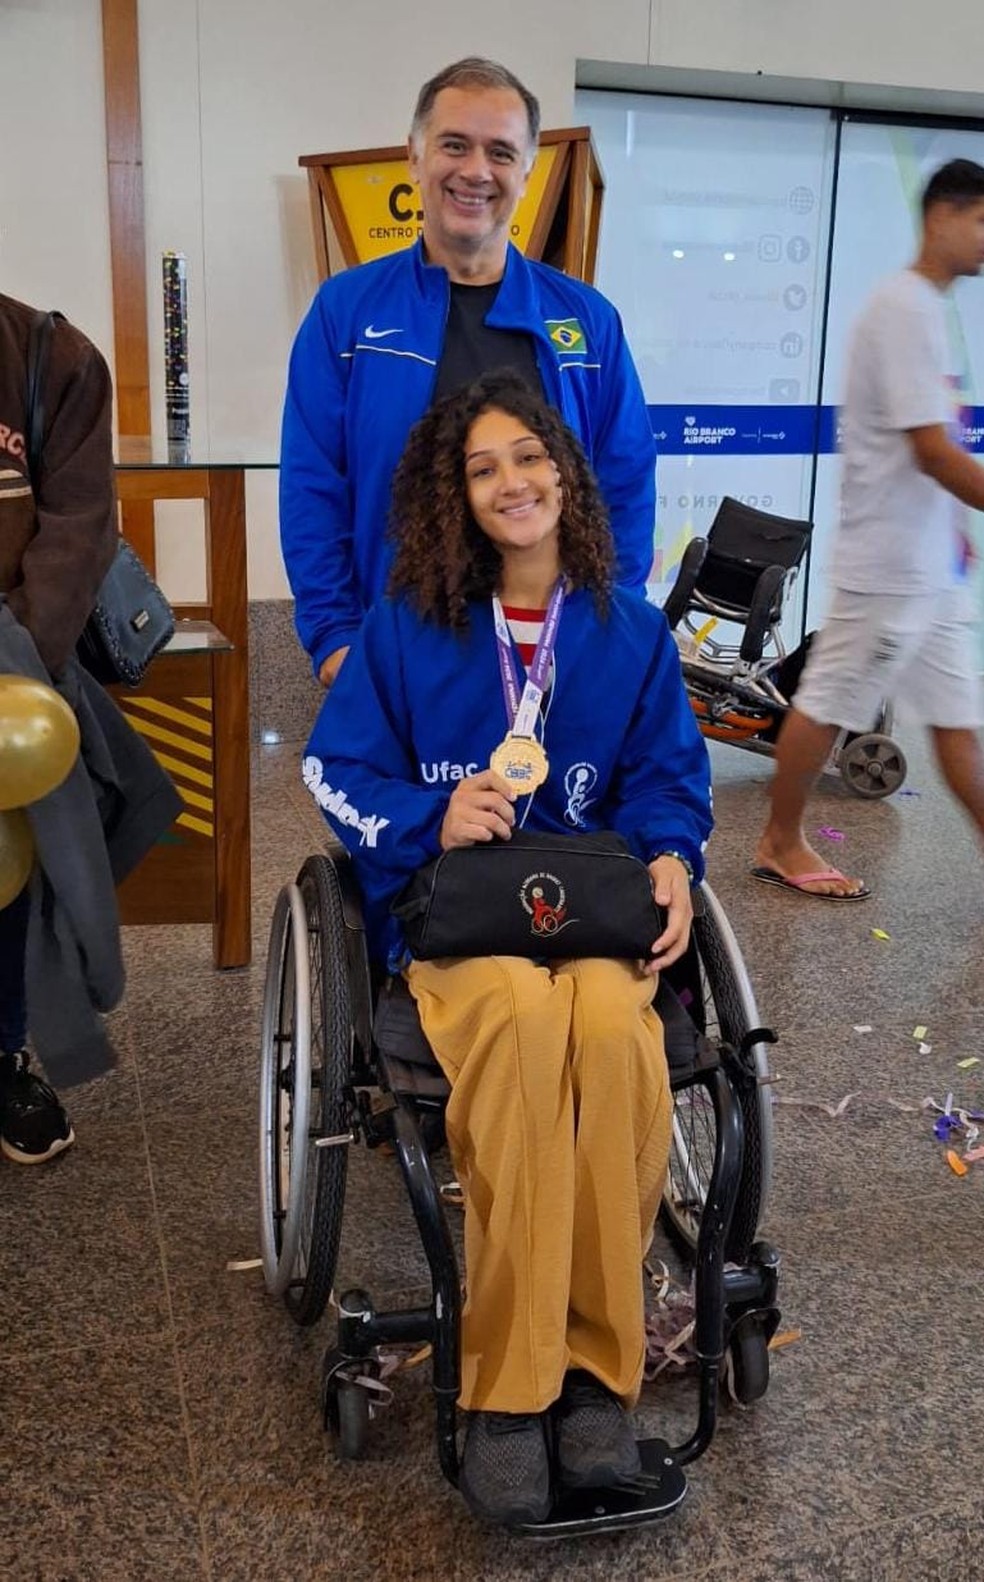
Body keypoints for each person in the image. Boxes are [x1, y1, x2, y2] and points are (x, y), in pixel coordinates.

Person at [303, 370, 712, 1526]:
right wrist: (433, 815)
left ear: (565, 473)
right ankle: (508, 1390)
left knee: (610, 1038)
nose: (512, 482)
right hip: (460, 920)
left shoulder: (626, 630)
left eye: (528, 457)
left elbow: (672, 784)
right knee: (528, 1032)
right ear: (456, 496)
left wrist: (674, 857)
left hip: (592, 918)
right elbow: (334, 770)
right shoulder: (405, 627)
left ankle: (592, 1382)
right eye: (483, 468)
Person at [280, 56, 656, 689]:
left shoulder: (587, 322)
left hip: (553, 656)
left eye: (501, 152)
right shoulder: (346, 314)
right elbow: (314, 485)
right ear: (415, 156)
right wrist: (335, 638)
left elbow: (625, 482)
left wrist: (611, 626)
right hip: (397, 655)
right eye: (455, 145)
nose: (476, 171)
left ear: (527, 171)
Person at [753, 158, 984, 899]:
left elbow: (934, 444)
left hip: (929, 573)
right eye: (982, 221)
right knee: (828, 704)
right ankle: (780, 843)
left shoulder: (928, 312)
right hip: (887, 567)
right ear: (941, 216)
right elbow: (931, 448)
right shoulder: (903, 309)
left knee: (955, 722)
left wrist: (953, 528)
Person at [0, 292, 118, 1161]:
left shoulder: (51, 356)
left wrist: (18, 670)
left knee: (15, 861)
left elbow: (77, 532)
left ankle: (4, 1055)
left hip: (12, 672)